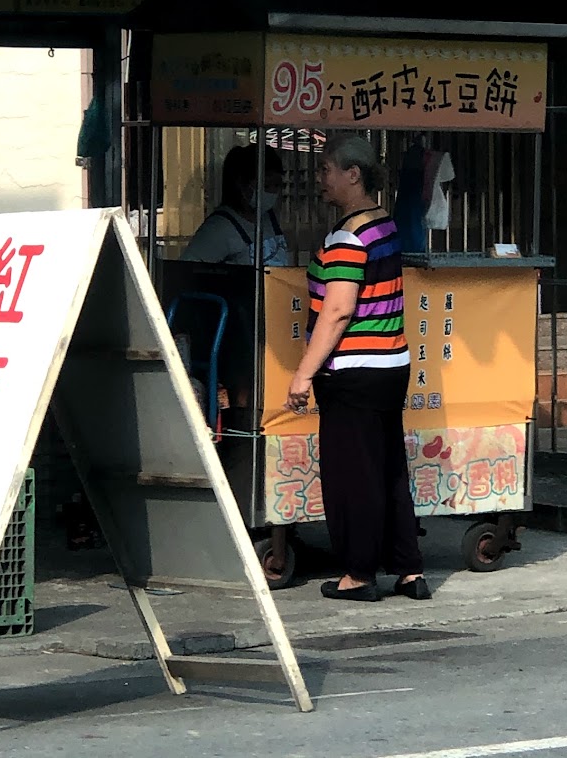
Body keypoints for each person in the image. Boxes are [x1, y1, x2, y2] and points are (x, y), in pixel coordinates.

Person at [286, 134, 430, 603]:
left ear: (353, 174)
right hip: (392, 364)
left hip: (352, 371)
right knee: (389, 468)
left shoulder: (347, 237)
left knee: (354, 476)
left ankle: (359, 574)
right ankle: (409, 570)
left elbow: (338, 310)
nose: (320, 179)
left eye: (326, 170)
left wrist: (304, 373)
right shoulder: (383, 224)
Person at [182, 143, 291, 266]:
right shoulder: (218, 228)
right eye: (266, 186)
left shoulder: (268, 218)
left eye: (277, 185)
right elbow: (186, 269)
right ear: (242, 184)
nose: (272, 192)